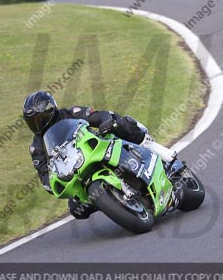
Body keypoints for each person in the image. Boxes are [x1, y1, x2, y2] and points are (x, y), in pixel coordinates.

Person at [23, 90, 178, 220]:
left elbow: (96, 116)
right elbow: (45, 176)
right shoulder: (36, 148)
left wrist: (105, 121)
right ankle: (114, 202)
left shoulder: (71, 113)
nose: (37, 124)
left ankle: (157, 150)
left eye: (39, 119)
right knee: (76, 209)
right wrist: (56, 181)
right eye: (32, 122)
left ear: (50, 110)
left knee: (119, 123)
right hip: (76, 171)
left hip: (97, 147)